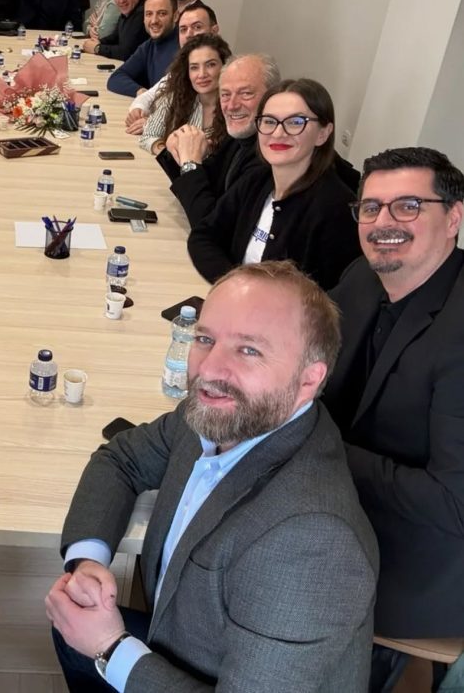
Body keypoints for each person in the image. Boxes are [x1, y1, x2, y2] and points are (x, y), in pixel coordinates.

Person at [47, 260, 378, 692]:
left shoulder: (312, 543)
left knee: (82, 642)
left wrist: (109, 647)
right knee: (70, 632)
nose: (209, 369)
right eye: (205, 339)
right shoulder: (220, 413)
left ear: (308, 380)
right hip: (177, 641)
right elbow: (122, 458)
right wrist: (89, 561)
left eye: (249, 350)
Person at [323, 147, 464, 692]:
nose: (383, 223)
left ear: (453, 218)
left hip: (422, 559)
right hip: (345, 503)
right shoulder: (364, 276)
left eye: (408, 206)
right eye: (371, 207)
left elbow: (453, 504)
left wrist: (320, 445)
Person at [187, 78, 361, 290]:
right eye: (269, 121)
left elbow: (331, 298)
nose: (278, 133)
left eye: (295, 122)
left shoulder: (336, 209)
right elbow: (203, 235)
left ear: (323, 133)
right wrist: (236, 284)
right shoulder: (257, 180)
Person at [124, 1, 220, 136]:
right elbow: (147, 97)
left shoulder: (227, 74)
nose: (189, 34)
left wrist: (156, 125)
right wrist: (138, 110)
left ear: (214, 31)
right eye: (183, 29)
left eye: (197, 27)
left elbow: (204, 131)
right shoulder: (180, 70)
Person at [140, 33, 231, 155]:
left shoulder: (234, 107)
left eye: (211, 65)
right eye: (194, 67)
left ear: (225, 66)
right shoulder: (173, 98)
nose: (202, 74)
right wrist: (169, 154)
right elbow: (148, 136)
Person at [107, 0, 179, 98]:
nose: (154, 21)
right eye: (149, 14)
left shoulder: (184, 45)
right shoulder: (148, 46)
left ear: (175, 16)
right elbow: (116, 78)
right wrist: (140, 92)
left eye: (162, 14)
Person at [82, 0, 147, 61]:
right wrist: (98, 42)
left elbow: (126, 52)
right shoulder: (128, 11)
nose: (121, 0)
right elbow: (115, 37)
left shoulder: (144, 13)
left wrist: (97, 48)